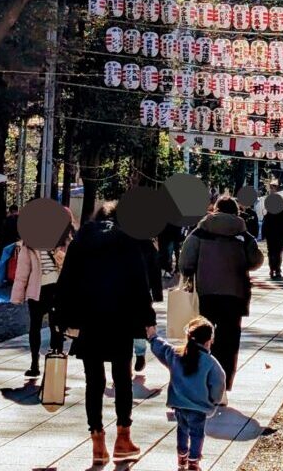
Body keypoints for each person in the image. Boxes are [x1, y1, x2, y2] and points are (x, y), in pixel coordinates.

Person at [54, 202, 156, 464]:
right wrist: (147, 318)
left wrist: (61, 317)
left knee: (94, 382)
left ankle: (97, 443)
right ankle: (123, 437)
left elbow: (66, 280)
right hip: (120, 319)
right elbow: (139, 283)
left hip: (89, 319)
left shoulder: (81, 241)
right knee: (122, 378)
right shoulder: (128, 240)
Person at [178, 195, 263, 396]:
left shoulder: (200, 231)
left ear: (215, 209)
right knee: (229, 340)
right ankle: (222, 387)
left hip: (207, 292)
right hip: (235, 294)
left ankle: (200, 380)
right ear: (236, 211)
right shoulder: (243, 233)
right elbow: (256, 260)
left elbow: (186, 262)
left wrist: (192, 272)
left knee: (202, 336)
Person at [147, 317, 225, 471]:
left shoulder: (176, 354)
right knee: (197, 434)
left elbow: (161, 348)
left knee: (182, 430)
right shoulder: (210, 362)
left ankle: (182, 456)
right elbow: (218, 383)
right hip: (199, 407)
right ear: (209, 341)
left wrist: (152, 337)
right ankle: (194, 461)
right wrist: (213, 400)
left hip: (179, 404)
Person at [10, 229, 69, 378]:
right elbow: (22, 271)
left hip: (57, 289)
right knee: (35, 326)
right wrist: (18, 295)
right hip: (37, 290)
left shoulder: (62, 240)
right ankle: (34, 363)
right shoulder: (29, 244)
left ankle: (55, 362)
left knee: (56, 327)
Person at [133, 236, 164, 372]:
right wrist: (157, 293)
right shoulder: (146, 243)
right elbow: (155, 269)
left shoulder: (115, 237)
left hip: (129, 289)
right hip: (142, 290)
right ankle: (139, 354)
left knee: (136, 323)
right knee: (140, 323)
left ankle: (138, 355)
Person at [261, 202, 283, 281]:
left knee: (271, 252)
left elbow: (265, 225)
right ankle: (277, 270)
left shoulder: (269, 214)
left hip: (271, 236)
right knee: (278, 253)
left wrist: (264, 235)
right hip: (280, 236)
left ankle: (272, 269)